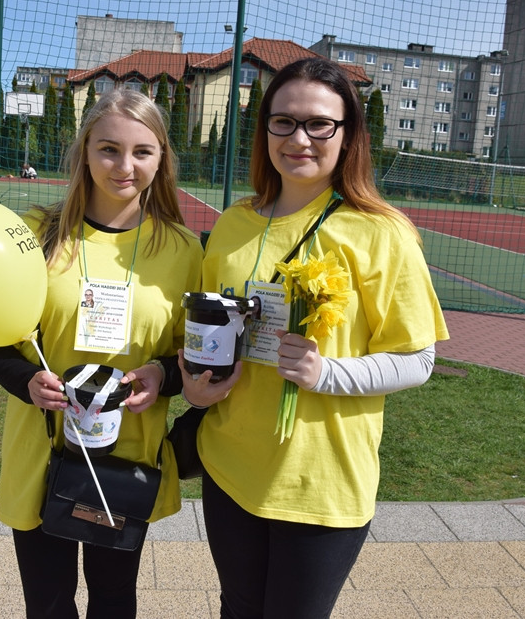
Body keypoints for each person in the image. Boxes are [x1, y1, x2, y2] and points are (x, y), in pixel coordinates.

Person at [180, 57, 449, 618]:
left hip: (321, 483)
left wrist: (327, 373)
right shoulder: (233, 223)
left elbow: (418, 358)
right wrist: (197, 387)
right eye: (283, 121)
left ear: (348, 134)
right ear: (264, 129)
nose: (299, 138)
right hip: (230, 468)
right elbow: (213, 330)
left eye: (319, 124)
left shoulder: (382, 232)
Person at [0, 89, 202, 618]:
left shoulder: (182, 249)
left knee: (114, 600)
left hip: (125, 458)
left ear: (161, 159)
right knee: (48, 603)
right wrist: (27, 381)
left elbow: (190, 353)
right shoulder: (37, 234)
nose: (124, 166)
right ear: (84, 151)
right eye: (109, 149)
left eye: (142, 151)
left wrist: (161, 375)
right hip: (42, 449)